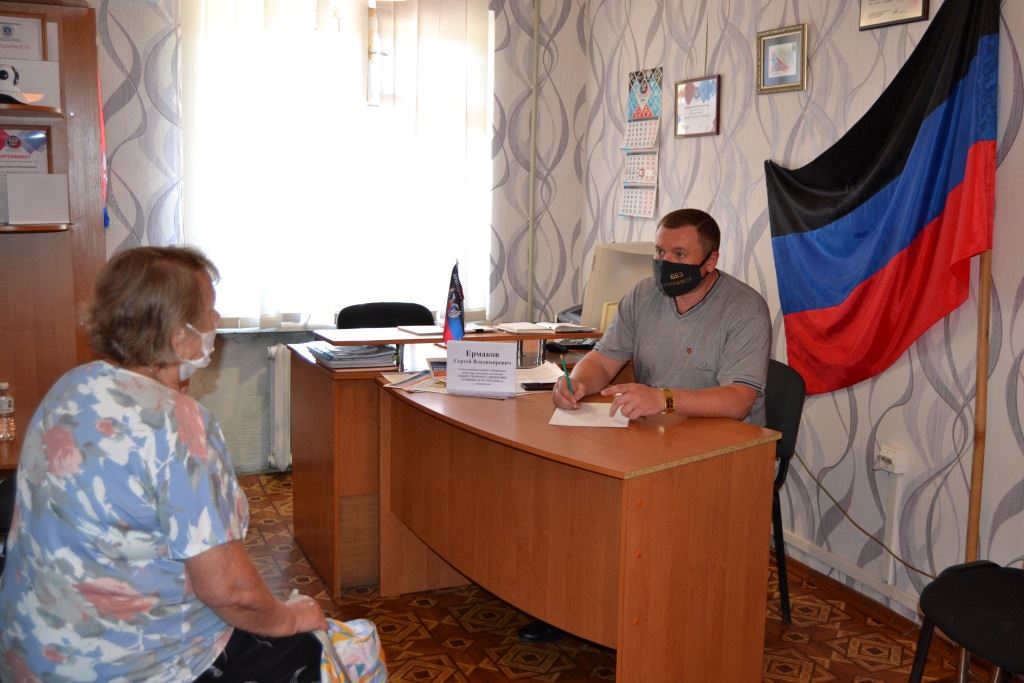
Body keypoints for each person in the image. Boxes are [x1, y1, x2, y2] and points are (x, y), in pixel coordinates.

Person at [0, 246, 328, 682]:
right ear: (179, 336)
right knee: (328, 646)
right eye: (209, 312)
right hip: (127, 666)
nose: (216, 320)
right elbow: (230, 592)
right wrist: (293, 616)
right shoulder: (179, 424)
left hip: (32, 652)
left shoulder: (70, 386)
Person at [519, 208, 771, 643]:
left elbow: (739, 400)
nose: (665, 263)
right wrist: (577, 384)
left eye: (679, 254)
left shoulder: (744, 308)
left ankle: (649, 623)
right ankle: (568, 605)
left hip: (722, 448)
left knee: (636, 515)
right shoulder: (644, 295)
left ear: (710, 260)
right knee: (575, 487)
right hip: (654, 433)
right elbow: (604, 358)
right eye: (659, 252)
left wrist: (664, 398)